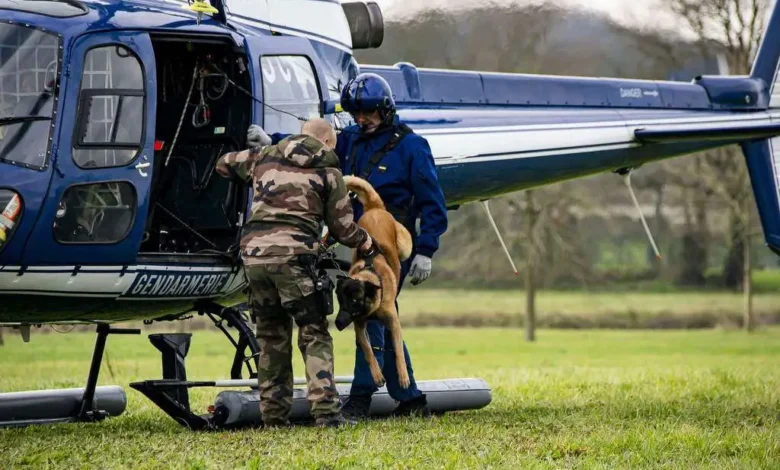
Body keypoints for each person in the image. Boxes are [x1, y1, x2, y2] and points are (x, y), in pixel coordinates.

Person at [249, 72, 448, 419]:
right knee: (381, 312)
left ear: (384, 110)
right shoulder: (352, 139)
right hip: (359, 240)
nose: (360, 119)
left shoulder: (412, 147)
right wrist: (274, 141)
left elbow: (433, 203)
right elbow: (314, 146)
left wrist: (426, 250)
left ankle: (362, 397)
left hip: (391, 241)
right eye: (356, 113)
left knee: (368, 310)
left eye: (367, 113)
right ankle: (409, 398)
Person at [217, 118, 374, 428]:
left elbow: (224, 165)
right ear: (329, 142)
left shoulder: (264, 156)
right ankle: (326, 415)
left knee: (271, 336)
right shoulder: (329, 173)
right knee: (313, 333)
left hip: (255, 257)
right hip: (296, 259)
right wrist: (366, 242)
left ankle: (273, 418)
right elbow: (343, 229)